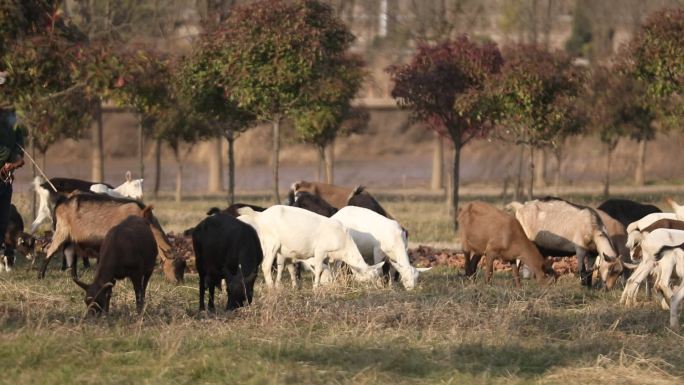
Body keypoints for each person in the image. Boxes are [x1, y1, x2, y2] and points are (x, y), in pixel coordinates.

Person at [0, 108, 25, 270]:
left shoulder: (11, 115)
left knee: (2, 221)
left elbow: (19, 144)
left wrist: (14, 161)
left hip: (5, 179)